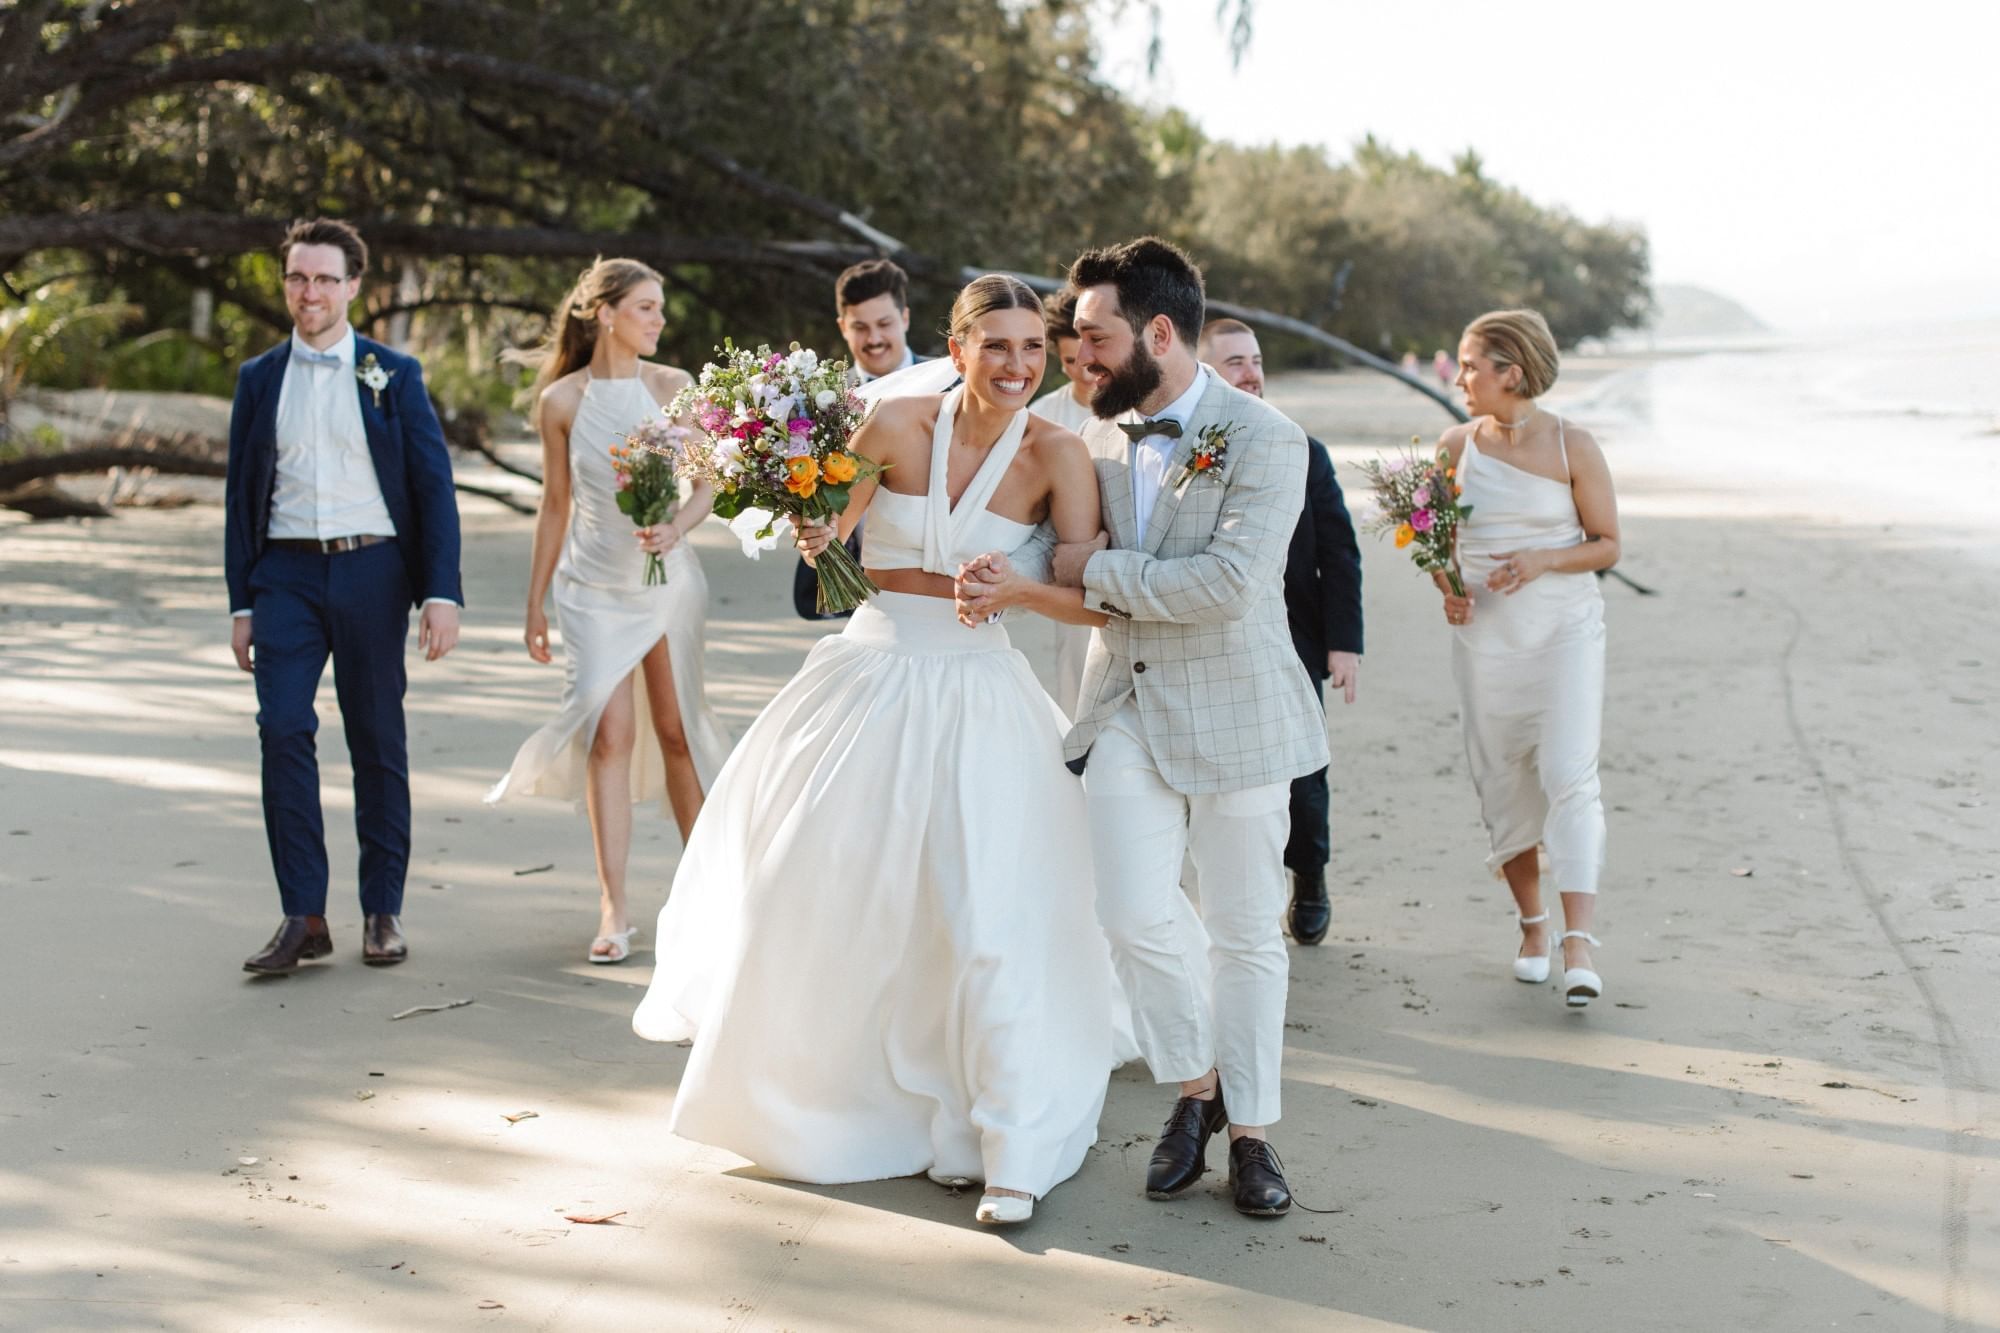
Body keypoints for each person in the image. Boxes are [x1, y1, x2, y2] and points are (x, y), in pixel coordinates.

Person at [633, 275, 1115, 1227]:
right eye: (997, 346)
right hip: (874, 673)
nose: (1017, 366)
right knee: (824, 888)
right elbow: (832, 558)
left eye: (1032, 348)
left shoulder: (1061, 453)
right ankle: (829, 1103)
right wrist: (816, 529)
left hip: (983, 693)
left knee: (986, 912)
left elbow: (1092, 596)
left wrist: (1013, 594)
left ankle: (1009, 1141)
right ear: (958, 344)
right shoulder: (892, 425)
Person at [956, 237, 1326, 1218]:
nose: (1075, 357)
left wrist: (1076, 578)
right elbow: (1015, 508)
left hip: (1240, 711)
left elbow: (1225, 586)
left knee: (1245, 933)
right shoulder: (1080, 429)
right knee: (1127, 912)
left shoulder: (1265, 438)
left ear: (1157, 333)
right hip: (1121, 704)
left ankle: (1250, 1133)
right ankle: (1193, 1088)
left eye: (1092, 336)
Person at [224, 218, 462, 974]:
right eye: (298, 277)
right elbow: (239, 499)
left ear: (354, 285)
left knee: (375, 739)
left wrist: (440, 592)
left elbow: (432, 488)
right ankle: (304, 913)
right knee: (283, 728)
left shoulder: (394, 373)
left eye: (326, 278)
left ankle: (381, 910)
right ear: (285, 283)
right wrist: (241, 602)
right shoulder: (259, 378)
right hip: (285, 577)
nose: (311, 292)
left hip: (372, 571)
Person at [486, 259, 733, 964]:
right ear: (605, 312)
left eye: (660, 310)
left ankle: (706, 889)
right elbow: (556, 503)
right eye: (646, 308)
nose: (658, 322)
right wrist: (533, 601)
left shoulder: (674, 389)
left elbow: (709, 483)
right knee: (608, 736)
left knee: (677, 730)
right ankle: (613, 906)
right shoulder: (562, 401)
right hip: (592, 586)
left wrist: (676, 527)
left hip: (667, 579)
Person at [1437, 308, 1620, 1007]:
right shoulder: (1454, 447)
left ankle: (1580, 941)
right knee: (1502, 775)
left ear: (1510, 372)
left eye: (1470, 364)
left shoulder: (1576, 446)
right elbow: (1436, 546)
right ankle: (1533, 927)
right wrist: (1448, 588)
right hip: (1486, 634)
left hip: (1565, 628)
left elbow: (1607, 543)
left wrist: (1545, 559)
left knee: (1570, 773)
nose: (1459, 377)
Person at [1196, 318, 1363, 947]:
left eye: (1257, 360)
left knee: (1303, 772)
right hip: (1212, 635)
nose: (1252, 372)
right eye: (1236, 361)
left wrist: (1343, 644)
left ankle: (1310, 878)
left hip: (1294, 640)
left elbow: (1339, 553)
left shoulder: (1303, 448)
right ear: (1207, 371)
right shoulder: (1190, 450)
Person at [790, 258, 926, 620]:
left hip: (934, 585)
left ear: (906, 318)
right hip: (848, 585)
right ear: (842, 327)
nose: (874, 339)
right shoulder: (816, 401)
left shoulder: (950, 386)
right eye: (860, 327)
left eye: (884, 324)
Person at [1028, 288, 1096, 715]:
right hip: (1071, 579)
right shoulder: (1043, 416)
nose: (1084, 373)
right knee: (1077, 687)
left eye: (1089, 358)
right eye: (1070, 362)